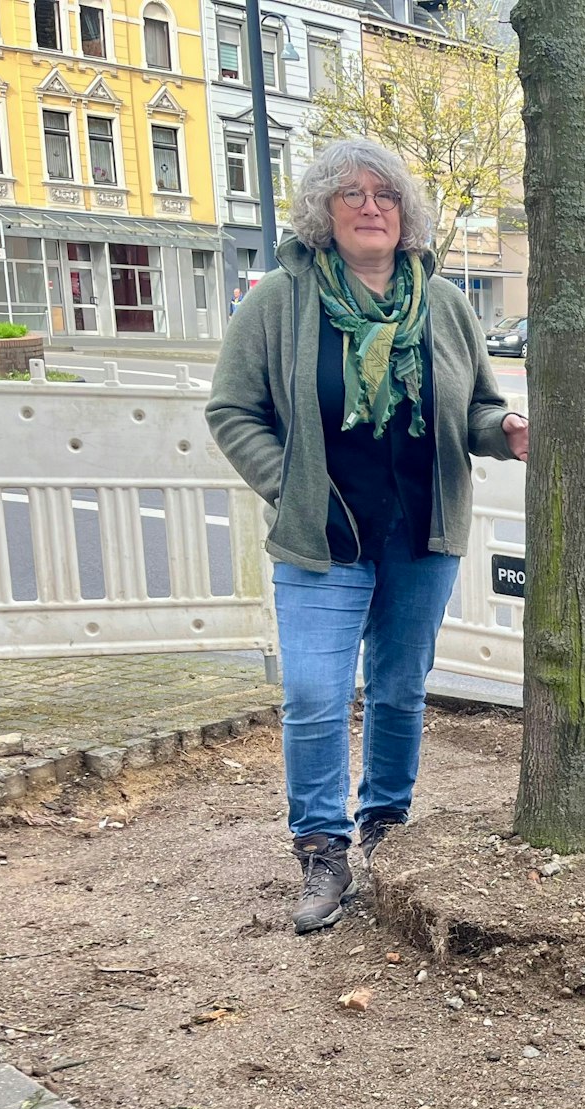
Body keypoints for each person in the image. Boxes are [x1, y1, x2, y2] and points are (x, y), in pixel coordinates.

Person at [206, 138, 530, 934]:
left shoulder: (444, 303)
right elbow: (231, 411)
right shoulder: (279, 302)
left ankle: (386, 824)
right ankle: (322, 846)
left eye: (384, 195)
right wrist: (292, 487)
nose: (370, 207)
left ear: (405, 212)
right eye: (350, 194)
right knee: (315, 695)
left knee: (398, 690)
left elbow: (477, 409)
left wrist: (507, 429)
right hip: (324, 536)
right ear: (323, 209)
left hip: (421, 532)